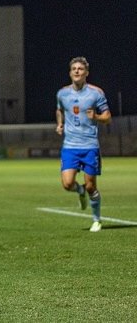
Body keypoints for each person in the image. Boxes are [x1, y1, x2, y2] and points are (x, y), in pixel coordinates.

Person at [56, 56, 111, 232]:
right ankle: (79, 192)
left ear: (86, 72)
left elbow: (108, 117)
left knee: (91, 186)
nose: (77, 71)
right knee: (67, 184)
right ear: (70, 73)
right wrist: (60, 123)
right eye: (74, 69)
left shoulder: (96, 93)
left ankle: (96, 220)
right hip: (70, 146)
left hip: (89, 146)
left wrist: (96, 116)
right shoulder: (62, 93)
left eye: (81, 68)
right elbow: (59, 109)